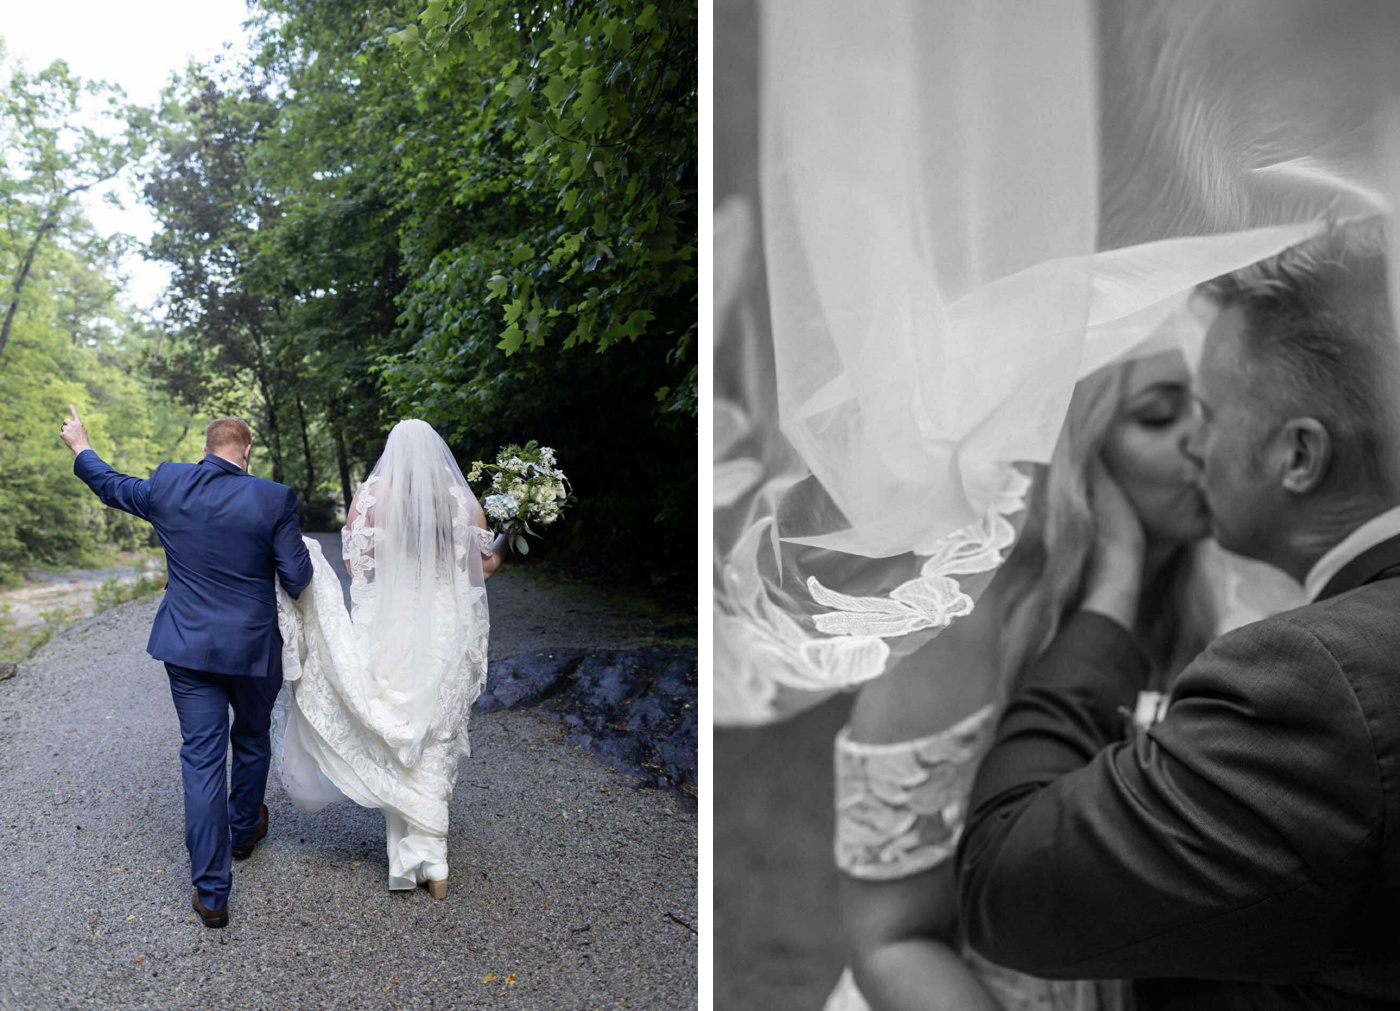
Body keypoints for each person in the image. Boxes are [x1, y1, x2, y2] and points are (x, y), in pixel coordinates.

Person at [957, 221, 1400, 1008]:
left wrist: (1106, 607)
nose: (1198, 446)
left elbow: (1007, 881)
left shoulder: (1313, 678)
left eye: (1209, 411)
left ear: (1298, 455)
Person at [827, 347, 1219, 1011]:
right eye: (1156, 416)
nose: (1201, 441)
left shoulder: (1207, 610)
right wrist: (1114, 579)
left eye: (1206, 407)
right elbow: (890, 942)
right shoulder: (962, 631)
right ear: (1077, 457)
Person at [60, 412, 313, 929]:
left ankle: (213, 895)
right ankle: (244, 832)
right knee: (251, 737)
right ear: (247, 453)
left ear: (206, 448)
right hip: (251, 649)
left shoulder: (170, 482)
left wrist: (82, 445)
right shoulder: (273, 497)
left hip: (188, 648)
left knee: (200, 759)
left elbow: (112, 486)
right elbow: (296, 577)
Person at [273, 419, 506, 899]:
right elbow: (485, 567)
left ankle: (408, 862)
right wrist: (510, 534)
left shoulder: (373, 495)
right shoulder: (459, 498)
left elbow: (358, 566)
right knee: (437, 733)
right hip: (446, 624)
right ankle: (433, 862)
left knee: (397, 729)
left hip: (392, 625)